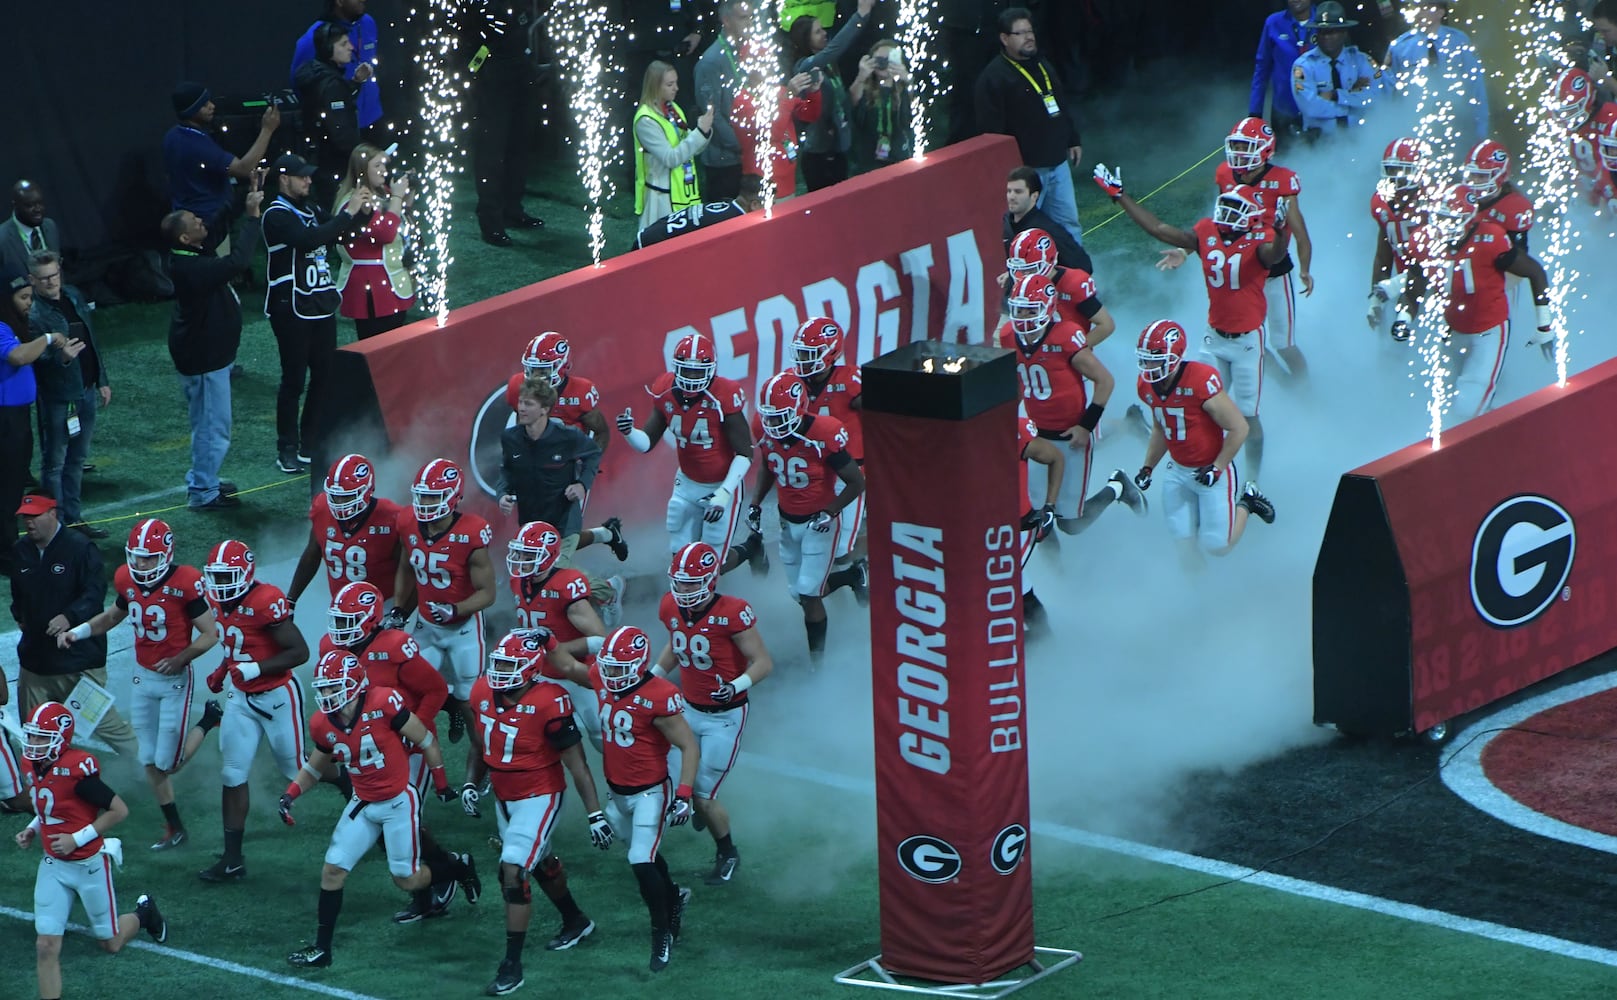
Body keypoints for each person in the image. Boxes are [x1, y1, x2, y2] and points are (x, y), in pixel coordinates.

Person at [282, 650, 478, 969]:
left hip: (399, 801)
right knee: (332, 871)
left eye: (334, 687)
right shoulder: (322, 723)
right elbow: (316, 766)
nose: (327, 694)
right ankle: (322, 948)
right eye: (325, 687)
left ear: (355, 684)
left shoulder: (384, 702)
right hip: (363, 801)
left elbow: (425, 739)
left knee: (407, 879)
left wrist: (441, 782)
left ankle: (456, 866)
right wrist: (290, 794)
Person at [1095, 163, 1283, 484]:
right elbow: (1159, 229)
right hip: (1213, 338)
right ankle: (1202, 466)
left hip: (1247, 342)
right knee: (1196, 404)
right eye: (1226, 205)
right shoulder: (1207, 231)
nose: (1226, 213)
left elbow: (1275, 255)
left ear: (1251, 215)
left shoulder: (1261, 238)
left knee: (1247, 416)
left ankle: (1252, 481)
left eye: (1235, 208)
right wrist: (1120, 197)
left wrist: (1282, 230)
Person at [57, 519, 223, 851]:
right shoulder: (125, 578)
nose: (140, 563)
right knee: (148, 759)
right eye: (136, 556)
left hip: (175, 679)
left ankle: (208, 721)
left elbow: (210, 633)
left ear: (165, 554)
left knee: (169, 763)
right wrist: (79, 631)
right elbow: (111, 617)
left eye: (148, 557)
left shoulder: (185, 582)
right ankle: (175, 827)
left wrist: (181, 658)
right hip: (142, 676)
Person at [466, 631, 611, 996]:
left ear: (530, 669)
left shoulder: (550, 700)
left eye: (509, 665)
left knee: (513, 871)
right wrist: (471, 783)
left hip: (539, 795)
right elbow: (480, 743)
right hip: (503, 794)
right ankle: (575, 920)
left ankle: (511, 965)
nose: (499, 671)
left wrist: (594, 813)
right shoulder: (482, 691)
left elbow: (577, 765)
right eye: (497, 663)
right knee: (540, 862)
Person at [317, 581, 466, 926]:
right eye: (337, 621)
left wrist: (414, 732)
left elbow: (436, 690)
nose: (338, 630)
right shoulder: (331, 647)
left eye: (347, 621)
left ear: (369, 620)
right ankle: (437, 879)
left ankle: (441, 877)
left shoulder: (396, 646)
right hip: (368, 748)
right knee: (388, 826)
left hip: (405, 744)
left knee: (404, 823)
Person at [555, 625, 700, 973]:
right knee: (644, 854)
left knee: (639, 858)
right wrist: (551, 642)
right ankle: (674, 895)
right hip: (617, 793)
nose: (610, 674)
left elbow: (688, 745)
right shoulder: (604, 677)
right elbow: (566, 666)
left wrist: (683, 793)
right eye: (607, 666)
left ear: (637, 665)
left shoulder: (658, 696)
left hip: (651, 791)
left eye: (619, 668)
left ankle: (661, 933)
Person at [16, 702, 169, 1000]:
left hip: (88, 865)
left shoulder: (77, 769)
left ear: (61, 738)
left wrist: (76, 839)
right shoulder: (32, 764)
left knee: (110, 943)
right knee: (45, 946)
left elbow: (118, 810)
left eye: (40, 737)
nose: (32, 743)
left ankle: (144, 913)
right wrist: (33, 829)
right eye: (32, 735)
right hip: (53, 865)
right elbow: (49, 807)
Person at [199, 538, 320, 883]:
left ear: (246, 573)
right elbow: (236, 643)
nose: (220, 585)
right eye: (216, 577)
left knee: (296, 767)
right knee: (232, 772)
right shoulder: (217, 601)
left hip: (278, 695)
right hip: (241, 698)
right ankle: (232, 859)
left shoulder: (266, 600)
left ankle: (349, 783)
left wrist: (255, 669)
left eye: (227, 577)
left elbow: (299, 652)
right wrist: (225, 670)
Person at [654, 541, 772, 884]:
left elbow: (763, 662)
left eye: (692, 582)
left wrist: (736, 685)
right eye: (680, 581)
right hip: (688, 708)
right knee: (671, 781)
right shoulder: (670, 606)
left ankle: (727, 852)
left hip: (725, 716)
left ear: (710, 580)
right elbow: (677, 644)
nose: (684, 589)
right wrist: (654, 676)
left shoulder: (732, 612)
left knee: (703, 796)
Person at [998, 274, 1145, 537]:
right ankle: (1056, 574)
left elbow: (1104, 381)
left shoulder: (1065, 336)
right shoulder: (1009, 336)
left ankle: (1117, 486)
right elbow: (1019, 379)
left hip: (1070, 435)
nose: (1022, 317)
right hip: (1036, 431)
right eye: (1018, 309)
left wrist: (1085, 426)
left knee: (1070, 524)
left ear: (1048, 308)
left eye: (1030, 310)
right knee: (1033, 514)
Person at [1399, 184, 1555, 421]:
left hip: (1488, 332)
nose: (1444, 226)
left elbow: (1535, 271)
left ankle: (1513, 432)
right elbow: (1413, 286)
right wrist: (1404, 318)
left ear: (1469, 220)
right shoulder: (1424, 241)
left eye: (1451, 219)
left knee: (1467, 409)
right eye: (1440, 218)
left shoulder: (1490, 239)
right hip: (1452, 331)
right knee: (1441, 403)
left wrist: (1544, 325)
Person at [616, 332, 766, 571]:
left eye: (698, 371)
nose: (692, 377)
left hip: (721, 485)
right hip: (686, 483)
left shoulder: (724, 395)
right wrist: (629, 432)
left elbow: (745, 453)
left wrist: (724, 493)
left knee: (711, 565)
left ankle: (751, 548)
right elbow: (646, 444)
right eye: (686, 370)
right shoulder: (665, 389)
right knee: (681, 560)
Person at [1133, 320, 1275, 567]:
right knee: (1185, 551)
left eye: (1155, 358)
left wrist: (1217, 468)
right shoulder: (1146, 386)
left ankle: (1248, 502)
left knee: (1218, 546)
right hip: (1177, 471)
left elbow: (1239, 427)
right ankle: (1197, 599)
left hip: (1211, 469)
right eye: (1145, 358)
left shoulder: (1200, 380)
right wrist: (1147, 467)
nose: (1149, 365)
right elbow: (1161, 427)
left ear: (1174, 355)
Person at [163, 170, 265, 511]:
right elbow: (239, 261)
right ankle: (203, 492)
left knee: (208, 423)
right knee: (211, 426)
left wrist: (246, 194)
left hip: (207, 354)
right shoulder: (190, 268)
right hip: (203, 358)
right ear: (185, 239)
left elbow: (218, 223)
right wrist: (253, 219)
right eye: (194, 221)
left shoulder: (190, 253)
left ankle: (205, 480)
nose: (201, 221)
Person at [10, 494, 138, 755]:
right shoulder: (21, 550)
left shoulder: (80, 548)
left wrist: (68, 617)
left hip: (77, 663)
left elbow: (95, 594)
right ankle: (44, 785)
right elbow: (18, 596)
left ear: (53, 514)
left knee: (110, 728)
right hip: (35, 665)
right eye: (25, 517)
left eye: (34, 516)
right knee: (35, 733)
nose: (29, 522)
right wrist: (21, 618)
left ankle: (150, 766)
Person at [751, 371, 865, 661]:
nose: (772, 423)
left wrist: (831, 510)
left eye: (779, 416)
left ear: (799, 408)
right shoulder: (766, 430)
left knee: (808, 593)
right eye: (769, 416)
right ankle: (854, 574)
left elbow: (855, 481)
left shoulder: (824, 433)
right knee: (798, 593)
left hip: (820, 521)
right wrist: (755, 503)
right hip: (787, 520)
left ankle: (818, 663)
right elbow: (768, 465)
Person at [264, 154, 367, 474]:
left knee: (324, 376)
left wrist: (363, 212)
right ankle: (287, 448)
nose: (309, 181)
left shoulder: (309, 208)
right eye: (302, 177)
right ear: (284, 180)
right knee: (293, 380)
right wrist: (347, 214)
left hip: (319, 304)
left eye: (309, 176)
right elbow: (309, 238)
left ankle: (310, 442)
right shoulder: (276, 214)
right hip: (291, 308)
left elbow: (337, 232)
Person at [391, 458, 498, 745]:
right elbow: (405, 567)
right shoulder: (407, 521)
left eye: (433, 496)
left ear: (454, 497)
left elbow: (488, 593)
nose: (425, 503)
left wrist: (455, 609)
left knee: (470, 698)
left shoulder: (471, 532)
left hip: (462, 629)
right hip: (426, 625)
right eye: (421, 495)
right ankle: (414, 755)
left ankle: (484, 762)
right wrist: (400, 609)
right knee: (405, 689)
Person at [497, 377, 623, 621]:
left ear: (545, 409)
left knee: (556, 572)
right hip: (532, 519)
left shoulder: (567, 437)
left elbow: (593, 454)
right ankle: (606, 558)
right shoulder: (510, 438)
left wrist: (582, 484)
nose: (521, 408)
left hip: (563, 517)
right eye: (521, 403)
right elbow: (506, 470)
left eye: (529, 404)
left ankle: (607, 592)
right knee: (535, 570)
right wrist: (503, 494)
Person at [503, 333, 630, 564]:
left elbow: (601, 431)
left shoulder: (579, 393)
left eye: (543, 370)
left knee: (559, 540)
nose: (535, 376)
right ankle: (607, 534)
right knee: (545, 533)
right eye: (531, 369)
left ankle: (604, 590)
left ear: (562, 366)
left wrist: (585, 473)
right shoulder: (516, 387)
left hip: (568, 469)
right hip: (537, 468)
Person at [1213, 118, 1315, 377]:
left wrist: (1305, 270)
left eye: (1246, 147)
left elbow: (1301, 233)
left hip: (1274, 270)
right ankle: (1287, 387)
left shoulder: (1282, 181)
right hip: (1242, 271)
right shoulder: (1225, 174)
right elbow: (1220, 222)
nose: (1239, 153)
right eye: (1236, 146)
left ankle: (1306, 390)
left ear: (1265, 149)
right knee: (1246, 341)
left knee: (1283, 342)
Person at [975, 8, 1084, 245]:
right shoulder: (994, 78)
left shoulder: (1042, 64)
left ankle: (1078, 277)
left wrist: (1072, 138)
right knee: (1027, 232)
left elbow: (1060, 104)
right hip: (1028, 171)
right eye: (1020, 33)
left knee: (1069, 225)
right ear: (1005, 39)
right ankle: (1031, 280)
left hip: (1058, 163)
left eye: (1030, 31)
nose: (1029, 37)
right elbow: (991, 134)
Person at [505, 520, 610, 747]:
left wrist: (555, 647)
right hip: (538, 674)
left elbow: (601, 640)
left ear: (547, 556)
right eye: (519, 553)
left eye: (527, 555)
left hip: (575, 673)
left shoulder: (566, 585)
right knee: (524, 734)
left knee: (600, 736)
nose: (520, 561)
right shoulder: (517, 582)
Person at [28, 251, 110, 537]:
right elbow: (36, 361)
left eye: (54, 275)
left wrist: (102, 378)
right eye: (44, 278)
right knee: (55, 463)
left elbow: (92, 338)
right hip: (58, 397)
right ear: (32, 280)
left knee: (77, 459)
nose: (51, 282)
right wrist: (61, 358)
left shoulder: (73, 295)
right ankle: (57, 526)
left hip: (85, 390)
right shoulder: (35, 315)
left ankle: (74, 520)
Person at [1, 277, 74, 574]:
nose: (29, 303)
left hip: (14, 417)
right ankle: (5, 555)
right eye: (23, 298)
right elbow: (18, 357)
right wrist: (47, 339)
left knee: (12, 483)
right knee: (7, 487)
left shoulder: (13, 327)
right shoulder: (2, 327)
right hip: (6, 420)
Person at [790, 317, 865, 595]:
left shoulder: (849, 380)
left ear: (831, 353)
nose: (803, 361)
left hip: (849, 470)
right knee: (813, 539)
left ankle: (856, 571)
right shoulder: (792, 383)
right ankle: (824, 585)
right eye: (801, 354)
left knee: (842, 547)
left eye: (810, 354)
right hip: (814, 471)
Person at [469, 1, 547, 246]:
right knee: (491, 153)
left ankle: (512, 209)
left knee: (519, 147)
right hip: (493, 76)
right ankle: (490, 221)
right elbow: (470, 35)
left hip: (522, 73)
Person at [163, 83, 280, 244]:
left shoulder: (173, 135)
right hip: (206, 223)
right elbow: (244, 169)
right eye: (204, 105)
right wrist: (267, 129)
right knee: (222, 265)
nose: (212, 106)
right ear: (191, 111)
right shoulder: (195, 144)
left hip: (189, 217)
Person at [287, 453, 404, 608]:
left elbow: (408, 569)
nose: (340, 503)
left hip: (384, 604)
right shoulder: (322, 508)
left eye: (348, 497)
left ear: (368, 491)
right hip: (341, 604)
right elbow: (312, 554)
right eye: (335, 496)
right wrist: (291, 600)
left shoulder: (392, 517)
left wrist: (401, 610)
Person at [790, 0, 877, 191]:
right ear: (805, 39)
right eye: (818, 32)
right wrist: (860, 15)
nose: (824, 35)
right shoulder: (806, 67)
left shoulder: (830, 66)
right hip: (819, 154)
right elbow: (838, 46)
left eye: (823, 29)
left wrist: (861, 78)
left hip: (839, 149)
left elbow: (844, 102)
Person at [333, 144, 415, 340]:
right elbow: (385, 233)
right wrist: (397, 195)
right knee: (378, 347)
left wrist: (408, 190)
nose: (384, 171)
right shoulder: (357, 200)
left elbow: (400, 214)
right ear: (362, 169)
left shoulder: (379, 192)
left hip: (389, 281)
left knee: (394, 346)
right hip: (371, 288)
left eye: (384, 165)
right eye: (377, 166)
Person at [1382, 0, 1489, 147]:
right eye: (1417, 8)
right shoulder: (1401, 46)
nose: (1419, 13)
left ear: (1440, 12)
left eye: (1425, 8)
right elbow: (1391, 91)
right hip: (1417, 123)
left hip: (1457, 119)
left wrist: (1481, 130)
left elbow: (1475, 85)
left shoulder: (1458, 41)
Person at [295, 21, 374, 211]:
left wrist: (354, 83)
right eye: (344, 44)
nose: (351, 47)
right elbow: (341, 132)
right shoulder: (331, 84)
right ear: (329, 48)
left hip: (319, 164)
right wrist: (365, 159)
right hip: (335, 169)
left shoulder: (318, 76)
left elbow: (333, 104)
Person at [634, 61, 716, 230]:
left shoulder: (674, 109)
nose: (676, 88)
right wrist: (699, 132)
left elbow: (690, 149)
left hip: (685, 195)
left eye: (676, 82)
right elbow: (671, 158)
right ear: (655, 86)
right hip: (661, 200)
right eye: (670, 84)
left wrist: (705, 132)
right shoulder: (645, 121)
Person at [1003, 228, 1118, 342]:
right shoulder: (1022, 282)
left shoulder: (1074, 283)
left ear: (1050, 260)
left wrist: (1074, 353)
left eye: (1031, 269)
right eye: (1019, 269)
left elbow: (1106, 325)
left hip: (1064, 351)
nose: (1025, 275)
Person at [1367, 136, 1430, 340]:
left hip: (1439, 288)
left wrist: (1393, 285)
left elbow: (1442, 262)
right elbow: (1383, 254)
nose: (1395, 177)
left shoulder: (1435, 202)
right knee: (1394, 347)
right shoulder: (1381, 201)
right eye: (1391, 169)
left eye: (1402, 170)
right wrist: (1375, 300)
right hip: (1405, 285)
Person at [291, 0, 384, 134]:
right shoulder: (315, 36)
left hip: (373, 120)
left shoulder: (368, 23)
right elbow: (299, 82)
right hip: (340, 129)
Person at [733, 62, 821, 198]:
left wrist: (813, 92)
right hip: (762, 183)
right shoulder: (742, 101)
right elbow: (772, 133)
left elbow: (809, 114)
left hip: (789, 179)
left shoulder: (779, 90)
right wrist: (789, 96)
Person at [696, 0, 755, 202]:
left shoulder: (749, 53)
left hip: (747, 156)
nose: (749, 23)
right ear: (726, 21)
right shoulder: (711, 61)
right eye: (743, 18)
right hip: (724, 162)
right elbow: (712, 116)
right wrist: (743, 144)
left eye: (751, 17)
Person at [1292, 3, 1381, 136]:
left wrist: (1336, 95)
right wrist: (1352, 103)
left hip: (1360, 138)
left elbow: (1377, 97)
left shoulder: (1361, 61)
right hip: (1319, 142)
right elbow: (1311, 108)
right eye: (1322, 32)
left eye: (1332, 31)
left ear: (1344, 33)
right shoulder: (1304, 65)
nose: (1326, 37)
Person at [1017, 403, 1064, 630]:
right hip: (982, 525)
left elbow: (1056, 458)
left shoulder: (1015, 432)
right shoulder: (960, 436)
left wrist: (1050, 506)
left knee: (1005, 580)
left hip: (1019, 526)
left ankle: (1045, 642)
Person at [1545, 68, 1617, 210]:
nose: (1566, 115)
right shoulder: (1558, 121)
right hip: (1587, 195)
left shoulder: (1611, 117)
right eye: (1562, 110)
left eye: (1571, 109)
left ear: (1589, 100)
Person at [1003, 167, 1091, 276]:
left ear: (1034, 196)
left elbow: (1085, 266)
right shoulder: (1007, 220)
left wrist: (1052, 277)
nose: (1011, 197)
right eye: (1009, 191)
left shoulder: (1048, 229)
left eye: (1018, 192)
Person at [1250, 0, 1316, 139]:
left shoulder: (1324, 20)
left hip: (1320, 113)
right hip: (1283, 113)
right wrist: (1255, 113)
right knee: (1283, 159)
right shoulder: (1273, 23)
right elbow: (1261, 69)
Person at [849, 39, 912, 173]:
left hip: (899, 158)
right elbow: (852, 103)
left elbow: (914, 114)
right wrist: (861, 76)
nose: (884, 63)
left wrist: (907, 81)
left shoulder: (903, 87)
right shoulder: (863, 87)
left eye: (889, 59)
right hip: (869, 161)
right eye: (879, 60)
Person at [634, 183, 762, 249]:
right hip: (650, 246)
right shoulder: (733, 222)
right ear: (754, 205)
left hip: (649, 234)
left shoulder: (727, 204)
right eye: (770, 203)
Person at [2, 180, 60, 278]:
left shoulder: (50, 226)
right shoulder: (2, 239)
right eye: (30, 205)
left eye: (40, 203)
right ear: (15, 205)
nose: (38, 209)